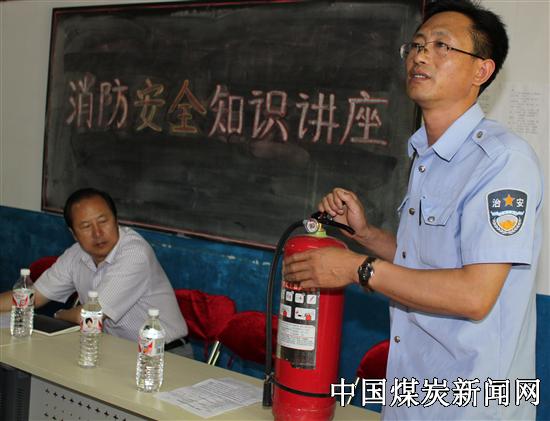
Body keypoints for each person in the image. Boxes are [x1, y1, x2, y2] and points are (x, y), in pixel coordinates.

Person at [283, 1, 543, 419]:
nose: (421, 55)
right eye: (417, 45)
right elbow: (425, 261)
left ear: (481, 71)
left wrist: (357, 268)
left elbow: (474, 295)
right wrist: (366, 235)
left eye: (442, 46)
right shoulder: (425, 154)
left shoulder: (502, 161)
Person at [0, 188, 193, 358]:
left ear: (116, 220)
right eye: (86, 226)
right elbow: (32, 297)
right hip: (114, 351)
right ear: (73, 234)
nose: (98, 233)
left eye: (103, 221)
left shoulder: (135, 253)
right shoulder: (76, 254)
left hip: (164, 355)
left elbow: (89, 317)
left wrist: (59, 314)